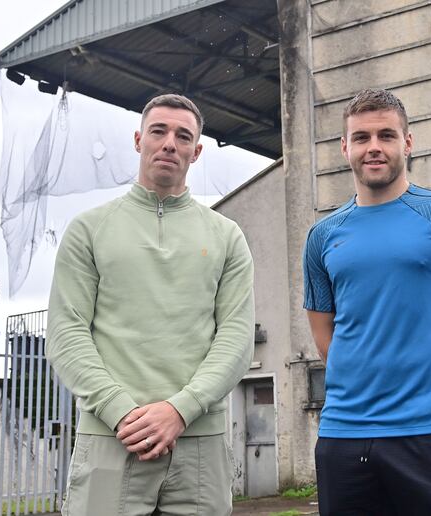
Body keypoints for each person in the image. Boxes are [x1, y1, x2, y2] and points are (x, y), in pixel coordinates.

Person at [47, 93, 254, 516]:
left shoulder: (227, 236)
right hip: (111, 437)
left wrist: (181, 410)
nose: (169, 144)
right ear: (139, 139)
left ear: (196, 152)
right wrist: (121, 412)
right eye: (158, 132)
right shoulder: (88, 230)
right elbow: (67, 333)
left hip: (200, 443)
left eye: (183, 136)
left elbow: (236, 337)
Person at [303, 88, 431, 515]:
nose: (374, 147)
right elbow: (325, 337)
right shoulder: (321, 236)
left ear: (407, 143)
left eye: (386, 135)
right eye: (361, 138)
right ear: (344, 148)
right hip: (343, 434)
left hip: (430, 433)